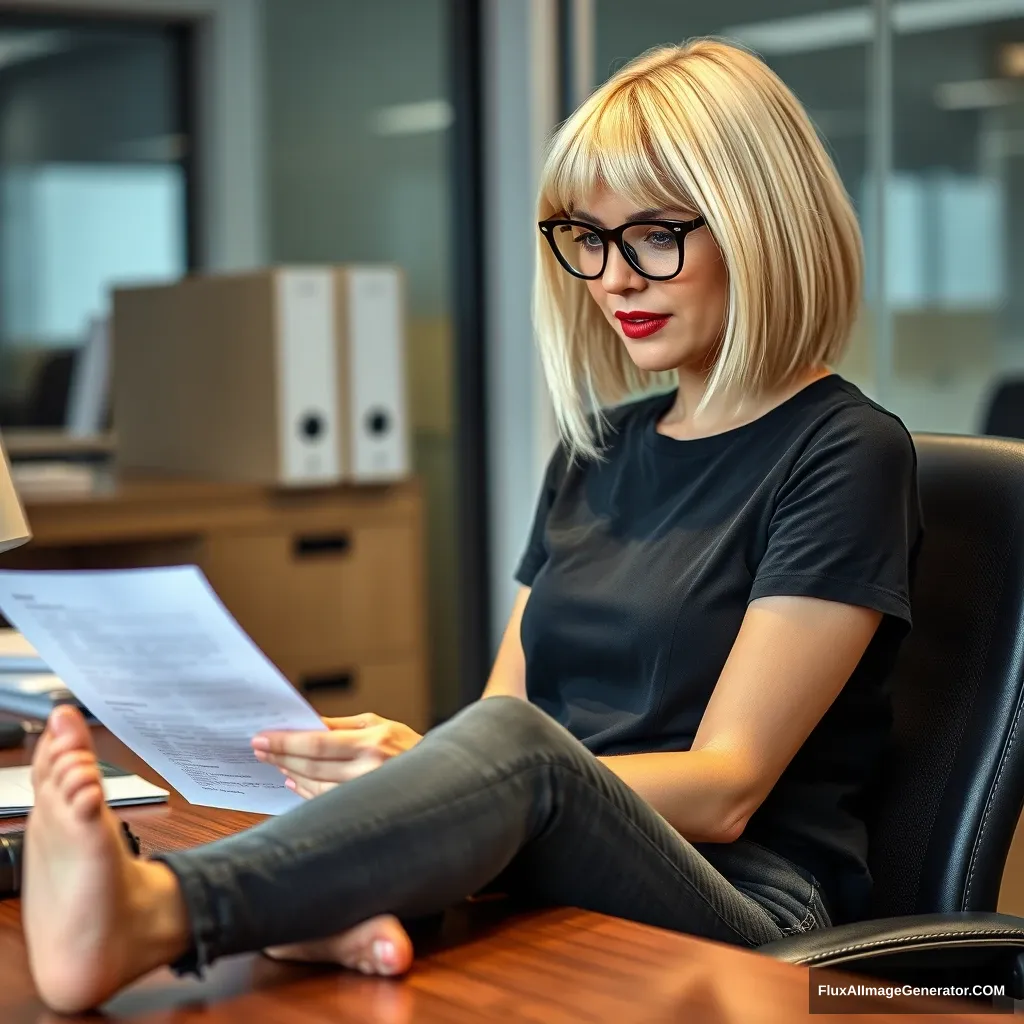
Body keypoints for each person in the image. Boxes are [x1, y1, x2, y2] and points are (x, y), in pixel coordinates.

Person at [22, 37, 922, 1014]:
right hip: (549, 854)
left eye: (654, 235)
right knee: (450, 748)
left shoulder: (846, 451)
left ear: (760, 226)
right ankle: (326, 902)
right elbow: (505, 708)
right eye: (586, 238)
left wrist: (456, 768)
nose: (613, 278)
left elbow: (724, 785)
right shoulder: (597, 448)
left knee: (508, 747)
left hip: (745, 902)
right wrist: (412, 771)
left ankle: (155, 913)